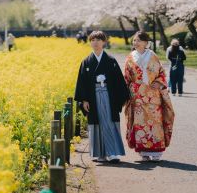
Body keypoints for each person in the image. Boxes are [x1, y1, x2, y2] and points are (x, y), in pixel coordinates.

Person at [74, 31, 129, 164]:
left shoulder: (111, 60)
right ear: (90, 42)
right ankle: (99, 154)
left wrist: (120, 98)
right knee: (96, 124)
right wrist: (84, 100)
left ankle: (113, 153)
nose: (96, 42)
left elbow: (119, 81)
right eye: (93, 40)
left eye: (99, 40)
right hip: (93, 97)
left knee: (110, 122)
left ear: (104, 42)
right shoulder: (86, 62)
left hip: (109, 97)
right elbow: (82, 83)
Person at [124, 31, 175, 162]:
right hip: (137, 95)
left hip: (153, 94)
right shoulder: (130, 57)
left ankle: (156, 151)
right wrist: (126, 92)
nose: (135, 43)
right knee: (139, 123)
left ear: (146, 43)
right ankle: (143, 152)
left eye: (138, 40)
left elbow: (161, 73)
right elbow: (127, 77)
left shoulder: (153, 56)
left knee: (155, 122)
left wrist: (158, 83)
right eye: (134, 40)